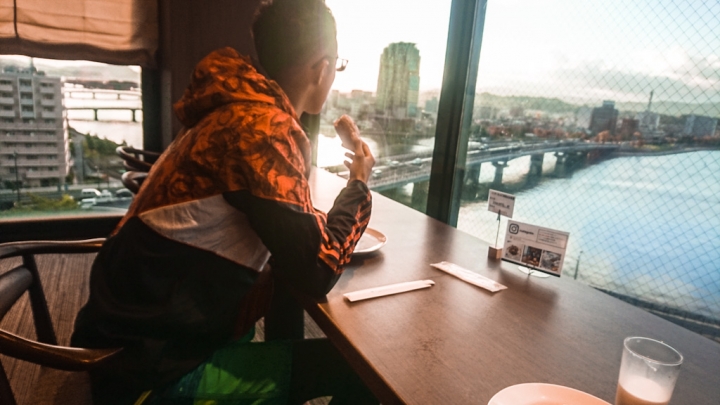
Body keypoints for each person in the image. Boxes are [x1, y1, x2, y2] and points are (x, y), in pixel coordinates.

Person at [71, 0, 377, 404]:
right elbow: (317, 271)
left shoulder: (236, 111)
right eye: (336, 67)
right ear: (322, 67)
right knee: (357, 372)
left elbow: (283, 227)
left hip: (126, 334)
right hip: (149, 374)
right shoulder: (264, 132)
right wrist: (358, 183)